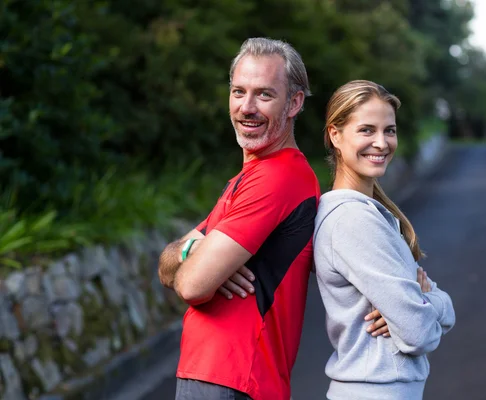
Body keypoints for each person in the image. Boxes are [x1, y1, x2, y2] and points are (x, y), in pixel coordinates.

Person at [157, 39, 388, 400]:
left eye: (264, 94)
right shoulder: (249, 178)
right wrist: (195, 253)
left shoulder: (277, 178)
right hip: (219, 376)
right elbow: (166, 266)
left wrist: (198, 260)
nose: (246, 107)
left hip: (235, 377)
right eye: (238, 91)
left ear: (294, 102)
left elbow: (191, 286)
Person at [313, 80, 456, 400]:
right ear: (335, 135)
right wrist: (428, 300)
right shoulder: (353, 220)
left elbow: (423, 316)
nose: (381, 142)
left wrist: (420, 302)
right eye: (366, 130)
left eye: (389, 130)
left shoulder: (370, 214)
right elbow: (419, 333)